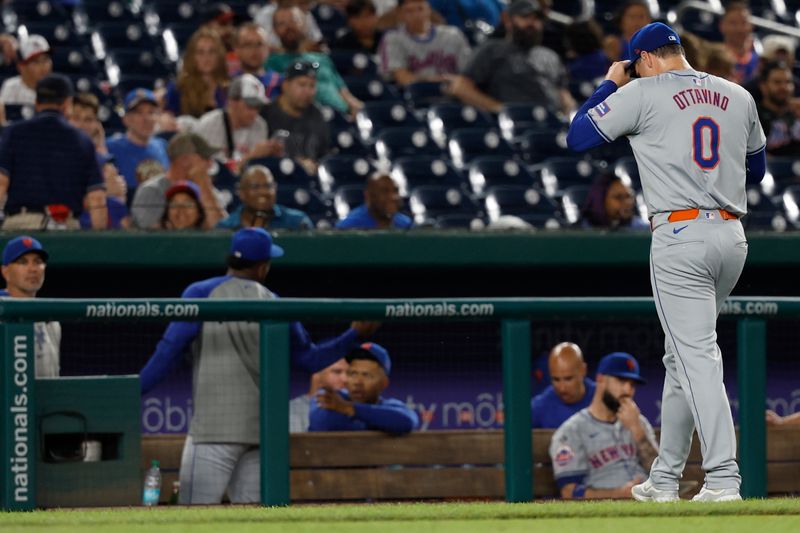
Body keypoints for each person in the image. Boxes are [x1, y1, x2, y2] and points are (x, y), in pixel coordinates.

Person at [566, 22, 766, 502]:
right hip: (731, 236)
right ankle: (666, 478)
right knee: (682, 358)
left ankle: (723, 478)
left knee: (696, 357)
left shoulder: (642, 90)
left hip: (680, 236)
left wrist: (613, 82)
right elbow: (755, 169)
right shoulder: (737, 94)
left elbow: (578, 136)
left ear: (646, 59)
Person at [139, 227, 380, 503]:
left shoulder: (200, 292)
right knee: (254, 521)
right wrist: (353, 335)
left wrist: (134, 390)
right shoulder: (274, 301)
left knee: (194, 515)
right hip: (262, 431)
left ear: (231, 259)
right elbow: (311, 359)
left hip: (214, 430)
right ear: (263, 267)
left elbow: (167, 352)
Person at [0, 74, 107, 230]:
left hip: (23, 225)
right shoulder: (82, 140)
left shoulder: (14, 133)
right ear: (67, 103)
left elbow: (1, 182)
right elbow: (97, 198)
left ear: (36, 103)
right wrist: (100, 246)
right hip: (66, 227)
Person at [550, 352, 657, 500]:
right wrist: (620, 494)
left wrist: (637, 431)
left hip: (649, 503)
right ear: (600, 379)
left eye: (632, 384)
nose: (627, 390)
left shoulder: (639, 422)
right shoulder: (572, 431)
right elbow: (569, 492)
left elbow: (661, 475)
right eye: (621, 381)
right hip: (609, 508)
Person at [443, 0, 575, 115]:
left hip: (551, 122)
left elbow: (564, 93)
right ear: (508, 20)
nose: (532, 23)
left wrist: (567, 113)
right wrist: (499, 109)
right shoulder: (492, 50)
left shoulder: (550, 56)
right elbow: (461, 87)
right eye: (525, 17)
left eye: (536, 19)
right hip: (514, 124)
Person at [266, 5, 363, 115]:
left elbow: (345, 95)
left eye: (294, 20)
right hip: (307, 121)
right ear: (274, 30)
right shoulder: (270, 63)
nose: (289, 27)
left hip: (343, 118)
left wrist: (363, 113)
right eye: (282, 23)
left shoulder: (323, 59)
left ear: (305, 25)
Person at [309, 342, 419, 434]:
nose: (358, 382)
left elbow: (406, 421)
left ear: (384, 383)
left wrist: (349, 409)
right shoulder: (333, 397)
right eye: (353, 374)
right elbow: (322, 422)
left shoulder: (389, 405)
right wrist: (383, 424)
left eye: (366, 375)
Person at [131, 133, 226, 229]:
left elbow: (222, 232)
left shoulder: (206, 190)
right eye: (205, 158)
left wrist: (204, 189)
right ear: (184, 160)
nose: (210, 164)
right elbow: (152, 237)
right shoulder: (152, 191)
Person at [193, 74, 284, 172]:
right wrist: (251, 156)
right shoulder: (209, 124)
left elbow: (254, 172)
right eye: (250, 106)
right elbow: (214, 171)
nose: (254, 113)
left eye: (258, 107)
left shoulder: (260, 125)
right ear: (232, 102)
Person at [0, 236, 60, 377]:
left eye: (38, 262)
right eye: (23, 262)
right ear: (6, 272)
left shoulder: (51, 319)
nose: (32, 269)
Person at [377, 0, 471, 86]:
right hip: (414, 99)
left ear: (429, 9)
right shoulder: (392, 38)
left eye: (420, 9)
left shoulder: (453, 34)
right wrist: (439, 81)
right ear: (400, 14)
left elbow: (468, 75)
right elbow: (403, 79)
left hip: (455, 95)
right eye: (409, 11)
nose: (417, 15)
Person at [261, 60, 331, 175]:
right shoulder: (266, 113)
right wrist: (297, 164)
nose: (308, 91)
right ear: (285, 85)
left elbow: (323, 154)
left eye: (312, 86)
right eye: (302, 85)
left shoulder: (317, 115)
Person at [106, 89, 170, 195]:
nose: (146, 118)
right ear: (126, 119)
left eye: (151, 112)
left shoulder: (163, 146)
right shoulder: (110, 148)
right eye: (139, 112)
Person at [217, 165, 313, 230]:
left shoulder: (298, 222)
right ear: (241, 192)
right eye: (255, 187)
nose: (263, 192)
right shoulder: (225, 227)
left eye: (268, 186)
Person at [163, 28, 230, 122]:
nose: (206, 58)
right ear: (192, 56)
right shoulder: (178, 88)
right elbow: (168, 119)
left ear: (219, 55)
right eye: (200, 52)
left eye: (211, 52)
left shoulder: (230, 88)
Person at [531, 342, 596, 429]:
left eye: (568, 379)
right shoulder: (541, 406)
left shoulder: (602, 398)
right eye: (556, 379)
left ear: (583, 370)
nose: (562, 388)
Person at [290, 358, 348, 432]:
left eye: (349, 373)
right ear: (316, 373)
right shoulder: (291, 408)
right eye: (337, 372)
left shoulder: (352, 404)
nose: (345, 379)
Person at [336, 172, 412, 229]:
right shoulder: (348, 228)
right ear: (368, 196)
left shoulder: (406, 225)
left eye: (395, 191)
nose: (393, 197)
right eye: (385, 191)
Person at [756, 61, 800, 157]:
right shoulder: (754, 116)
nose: (784, 87)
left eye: (788, 82)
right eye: (777, 82)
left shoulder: (796, 112)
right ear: (763, 86)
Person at [232, 23, 283, 99]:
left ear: (268, 48)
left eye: (259, 44)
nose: (254, 50)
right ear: (237, 49)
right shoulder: (228, 84)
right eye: (248, 44)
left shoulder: (280, 83)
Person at [581, 173, 649, 230]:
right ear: (600, 201)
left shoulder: (642, 230)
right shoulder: (581, 231)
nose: (628, 202)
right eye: (618, 197)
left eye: (628, 196)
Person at [0, 34, 52, 106]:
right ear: (21, 67)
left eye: (45, 59)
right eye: (36, 61)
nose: (43, 66)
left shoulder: (58, 88)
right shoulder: (11, 87)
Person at [255, 0, 324, 51]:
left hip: (304, 56)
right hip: (276, 58)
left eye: (293, 21)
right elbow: (260, 45)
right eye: (282, 23)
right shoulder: (265, 13)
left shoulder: (302, 12)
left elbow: (316, 41)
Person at [719, 1, 759, 85]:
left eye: (744, 23)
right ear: (722, 26)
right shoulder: (715, 59)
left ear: (751, 27)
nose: (739, 29)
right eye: (733, 23)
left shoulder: (759, 62)